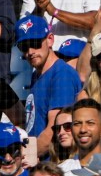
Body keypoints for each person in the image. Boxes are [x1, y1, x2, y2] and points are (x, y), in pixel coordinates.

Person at [16, 15, 83, 149]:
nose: (30, 52)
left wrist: (29, 155)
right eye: (24, 47)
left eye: (35, 43)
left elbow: (54, 131)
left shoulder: (61, 75)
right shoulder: (37, 74)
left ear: (50, 40)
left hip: (53, 163)